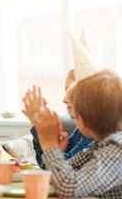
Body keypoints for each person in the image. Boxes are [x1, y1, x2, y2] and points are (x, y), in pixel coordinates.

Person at [35, 70, 122, 198]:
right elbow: (54, 175)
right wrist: (56, 152)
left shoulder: (116, 150)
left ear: (81, 120)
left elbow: (69, 190)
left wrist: (49, 146)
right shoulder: (100, 146)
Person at [22, 69, 94, 166]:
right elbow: (48, 163)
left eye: (69, 91)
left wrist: (37, 124)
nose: (64, 100)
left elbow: (58, 169)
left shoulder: (93, 135)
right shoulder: (80, 131)